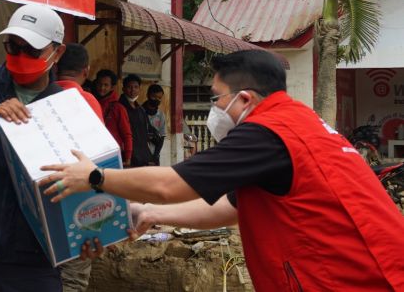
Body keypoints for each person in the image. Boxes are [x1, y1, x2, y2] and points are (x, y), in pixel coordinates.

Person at [40, 50, 404, 291]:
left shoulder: (268, 133)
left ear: (245, 98)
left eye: (215, 98)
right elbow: (232, 205)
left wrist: (94, 177)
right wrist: (149, 212)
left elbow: (173, 183)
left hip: (355, 279)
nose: (213, 107)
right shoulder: (296, 121)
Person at [0, 3, 97, 292]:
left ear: (57, 52)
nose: (20, 56)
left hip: (34, 260)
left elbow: (84, 183)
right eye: (12, 46)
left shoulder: (67, 108)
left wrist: (89, 233)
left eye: (32, 50)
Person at [54, 43, 103, 292]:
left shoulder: (39, 96)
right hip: (78, 201)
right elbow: (99, 156)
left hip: (41, 199)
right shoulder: (87, 101)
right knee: (73, 276)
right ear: (86, 70)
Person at [92, 70, 133, 167]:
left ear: (112, 87)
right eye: (100, 84)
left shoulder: (118, 108)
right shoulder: (92, 102)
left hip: (113, 155)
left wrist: (128, 158)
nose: (102, 88)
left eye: (106, 85)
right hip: (94, 153)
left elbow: (127, 135)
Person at [119, 74, 153, 166]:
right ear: (123, 89)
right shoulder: (119, 108)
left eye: (136, 87)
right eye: (129, 87)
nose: (132, 90)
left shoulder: (141, 110)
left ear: (139, 89)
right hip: (127, 156)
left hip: (142, 156)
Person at [142, 84, 166, 165]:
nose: (156, 100)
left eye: (159, 98)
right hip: (141, 155)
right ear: (148, 95)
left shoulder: (161, 115)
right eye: (154, 97)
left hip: (154, 155)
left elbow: (162, 136)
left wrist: (156, 155)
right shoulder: (139, 112)